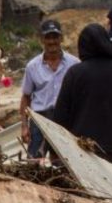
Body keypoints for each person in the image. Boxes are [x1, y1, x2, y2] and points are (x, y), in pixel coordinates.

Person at [53, 23, 112, 170]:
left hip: (79, 150)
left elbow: (60, 116)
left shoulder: (74, 74)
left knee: (80, 192)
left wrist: (55, 150)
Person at [20, 19, 79, 158]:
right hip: (39, 119)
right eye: (48, 37)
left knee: (65, 161)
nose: (52, 41)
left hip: (65, 120)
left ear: (61, 38)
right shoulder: (32, 66)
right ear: (42, 39)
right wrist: (24, 126)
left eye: (55, 37)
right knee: (34, 161)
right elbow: (26, 97)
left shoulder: (74, 64)